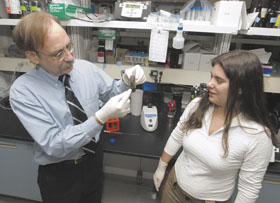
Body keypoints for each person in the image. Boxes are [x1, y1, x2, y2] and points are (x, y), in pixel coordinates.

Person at [9, 11, 146, 203]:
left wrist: (126, 80)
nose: (70, 58)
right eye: (58, 54)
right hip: (60, 173)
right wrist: (100, 118)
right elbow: (53, 145)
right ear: (33, 56)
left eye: (69, 47)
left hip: (94, 161)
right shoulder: (23, 91)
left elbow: (111, 93)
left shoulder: (84, 68)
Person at [153, 50, 275, 203]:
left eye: (219, 80)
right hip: (174, 188)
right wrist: (161, 166)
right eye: (211, 76)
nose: (210, 83)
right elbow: (178, 135)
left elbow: (248, 190)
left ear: (241, 88)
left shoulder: (257, 136)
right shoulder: (197, 106)